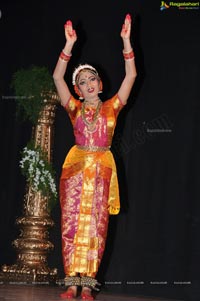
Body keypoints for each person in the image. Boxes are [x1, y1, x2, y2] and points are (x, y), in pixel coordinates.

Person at [53, 13, 137, 300]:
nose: (88, 84)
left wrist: (126, 41)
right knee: (71, 223)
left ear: (100, 85)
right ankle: (71, 283)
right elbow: (56, 77)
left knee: (96, 226)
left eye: (93, 79)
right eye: (83, 82)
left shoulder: (113, 107)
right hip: (75, 169)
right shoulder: (74, 109)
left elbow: (131, 75)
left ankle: (87, 284)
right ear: (77, 90)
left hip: (101, 168)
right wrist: (68, 47)